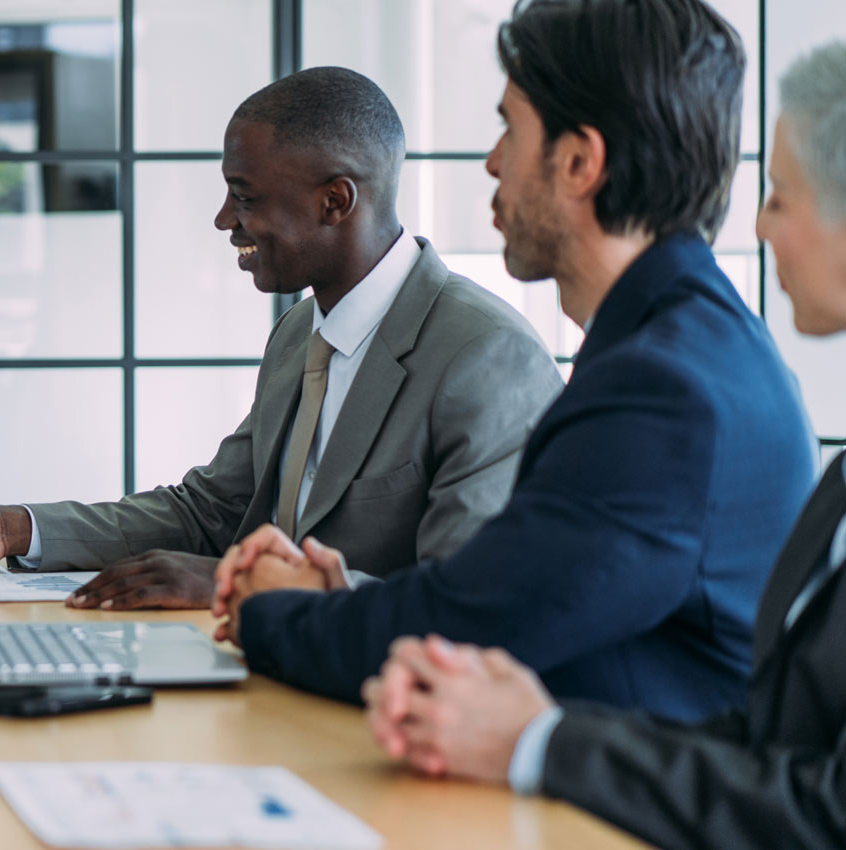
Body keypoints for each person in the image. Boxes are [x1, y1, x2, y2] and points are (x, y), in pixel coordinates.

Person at [212, 0, 813, 723]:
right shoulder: (686, 340)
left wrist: (269, 611)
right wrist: (335, 597)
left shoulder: (662, 389)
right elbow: (504, 591)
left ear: (579, 162)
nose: (492, 160)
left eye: (508, 128)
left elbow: (471, 630)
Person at [358, 40, 846, 850]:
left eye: (779, 197)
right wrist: (529, 731)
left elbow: (826, 812)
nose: (758, 225)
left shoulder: (671, 382)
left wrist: (537, 743)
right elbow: (773, 741)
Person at [0, 68, 562, 605]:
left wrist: (240, 587)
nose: (224, 220)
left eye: (243, 196)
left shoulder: (485, 357)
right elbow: (209, 514)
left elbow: (469, 600)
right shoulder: (300, 333)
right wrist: (12, 527)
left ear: (334, 202)